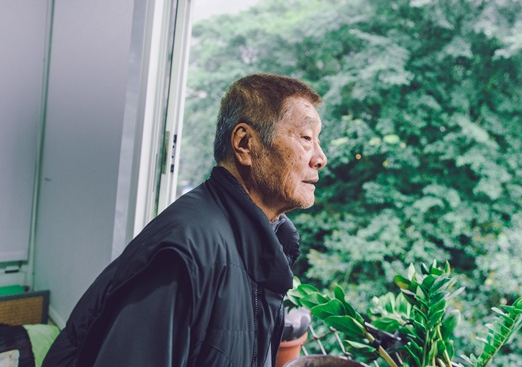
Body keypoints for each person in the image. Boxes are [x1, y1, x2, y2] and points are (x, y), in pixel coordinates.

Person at [42, 73, 327, 367]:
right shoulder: (184, 252)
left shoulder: (262, 243)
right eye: (306, 138)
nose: (320, 158)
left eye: (318, 140)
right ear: (245, 143)